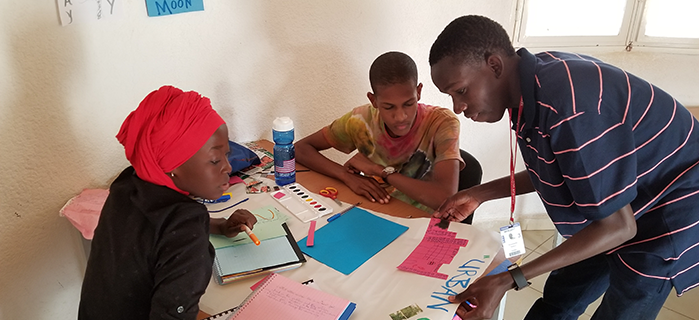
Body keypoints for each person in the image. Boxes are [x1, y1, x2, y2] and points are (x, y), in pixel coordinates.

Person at [429, 15, 699, 320]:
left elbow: (619, 228)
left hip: (668, 208)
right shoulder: (529, 87)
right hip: (615, 205)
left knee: (622, 309)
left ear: (494, 66)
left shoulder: (570, 106)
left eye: (460, 91)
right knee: (561, 298)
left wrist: (508, 279)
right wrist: (479, 194)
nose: (457, 107)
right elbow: (562, 167)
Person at [78, 86, 257, 320]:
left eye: (227, 153)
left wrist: (217, 226)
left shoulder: (128, 184)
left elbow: (150, 227)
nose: (228, 167)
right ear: (174, 166)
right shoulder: (186, 223)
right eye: (215, 160)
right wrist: (198, 226)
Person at [295, 51, 464, 213]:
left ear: (418, 92)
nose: (400, 117)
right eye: (389, 107)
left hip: (424, 220)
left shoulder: (443, 123)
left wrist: (381, 171)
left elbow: (445, 198)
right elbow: (301, 149)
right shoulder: (360, 120)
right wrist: (346, 176)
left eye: (408, 103)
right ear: (373, 100)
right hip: (376, 210)